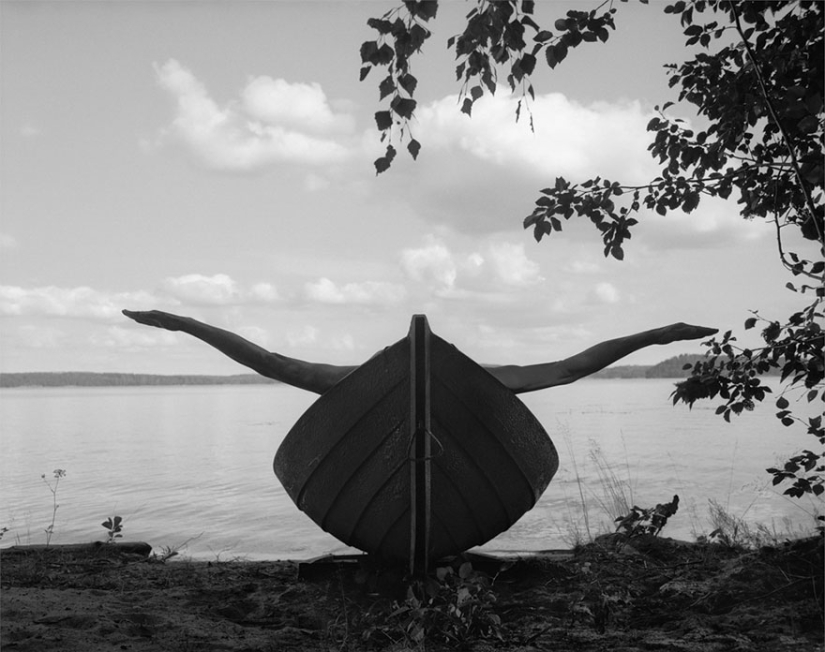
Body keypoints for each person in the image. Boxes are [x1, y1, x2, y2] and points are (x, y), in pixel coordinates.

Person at [122, 309, 717, 395]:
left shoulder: (480, 381)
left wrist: (658, 336)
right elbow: (270, 362)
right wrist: (180, 324)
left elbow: (573, 366)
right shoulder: (362, 382)